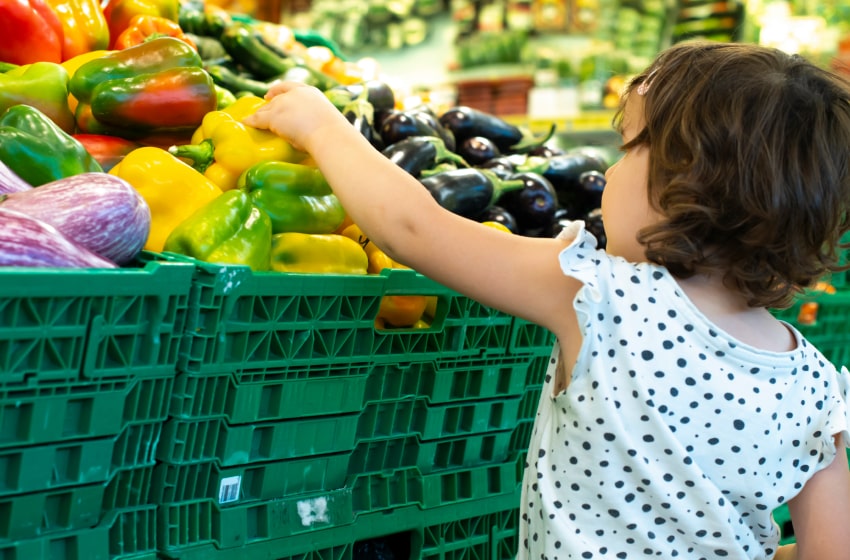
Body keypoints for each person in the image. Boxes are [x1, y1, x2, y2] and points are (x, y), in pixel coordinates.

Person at [245, 40, 850, 559]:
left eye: (629, 149)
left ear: (689, 183)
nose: (609, 174)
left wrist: (322, 127)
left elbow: (415, 230)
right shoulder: (817, 387)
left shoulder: (600, 295)